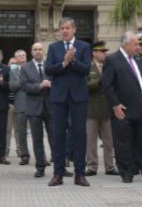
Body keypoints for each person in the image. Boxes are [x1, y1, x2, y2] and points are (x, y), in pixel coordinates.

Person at [101, 31, 142, 184]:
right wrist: (115, 104)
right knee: (124, 143)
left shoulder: (137, 59)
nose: (138, 47)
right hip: (123, 109)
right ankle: (127, 173)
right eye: (135, 44)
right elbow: (107, 85)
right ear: (126, 44)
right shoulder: (112, 60)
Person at [45, 17, 92, 187]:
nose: (64, 31)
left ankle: (80, 174)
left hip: (78, 96)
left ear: (74, 30)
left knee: (79, 134)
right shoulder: (53, 47)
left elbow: (86, 69)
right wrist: (64, 63)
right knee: (58, 135)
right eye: (62, 28)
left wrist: (72, 60)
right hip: (58, 96)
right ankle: (58, 174)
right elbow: (48, 69)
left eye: (67, 28)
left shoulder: (84, 46)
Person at [85, 40, 117, 176]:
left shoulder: (109, 66)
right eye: (102, 51)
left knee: (109, 141)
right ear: (94, 53)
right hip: (92, 109)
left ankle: (110, 166)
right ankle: (92, 166)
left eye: (105, 51)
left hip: (107, 109)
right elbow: (86, 85)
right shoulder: (87, 67)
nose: (105, 54)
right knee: (91, 141)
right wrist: (101, 80)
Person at [21, 42, 52, 178]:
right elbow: (24, 86)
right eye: (35, 49)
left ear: (43, 51)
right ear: (31, 52)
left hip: (51, 107)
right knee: (37, 139)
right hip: (34, 108)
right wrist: (39, 86)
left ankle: (61, 166)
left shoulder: (50, 66)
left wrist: (51, 84)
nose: (38, 51)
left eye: (40, 49)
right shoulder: (25, 67)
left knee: (55, 138)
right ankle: (40, 167)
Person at [9, 49, 30, 165]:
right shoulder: (13, 70)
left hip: (34, 104)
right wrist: (23, 82)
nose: (22, 57)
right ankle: (24, 155)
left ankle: (42, 156)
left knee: (38, 133)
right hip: (20, 104)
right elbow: (12, 86)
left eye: (24, 55)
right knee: (21, 132)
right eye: (19, 56)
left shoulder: (32, 67)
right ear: (16, 59)